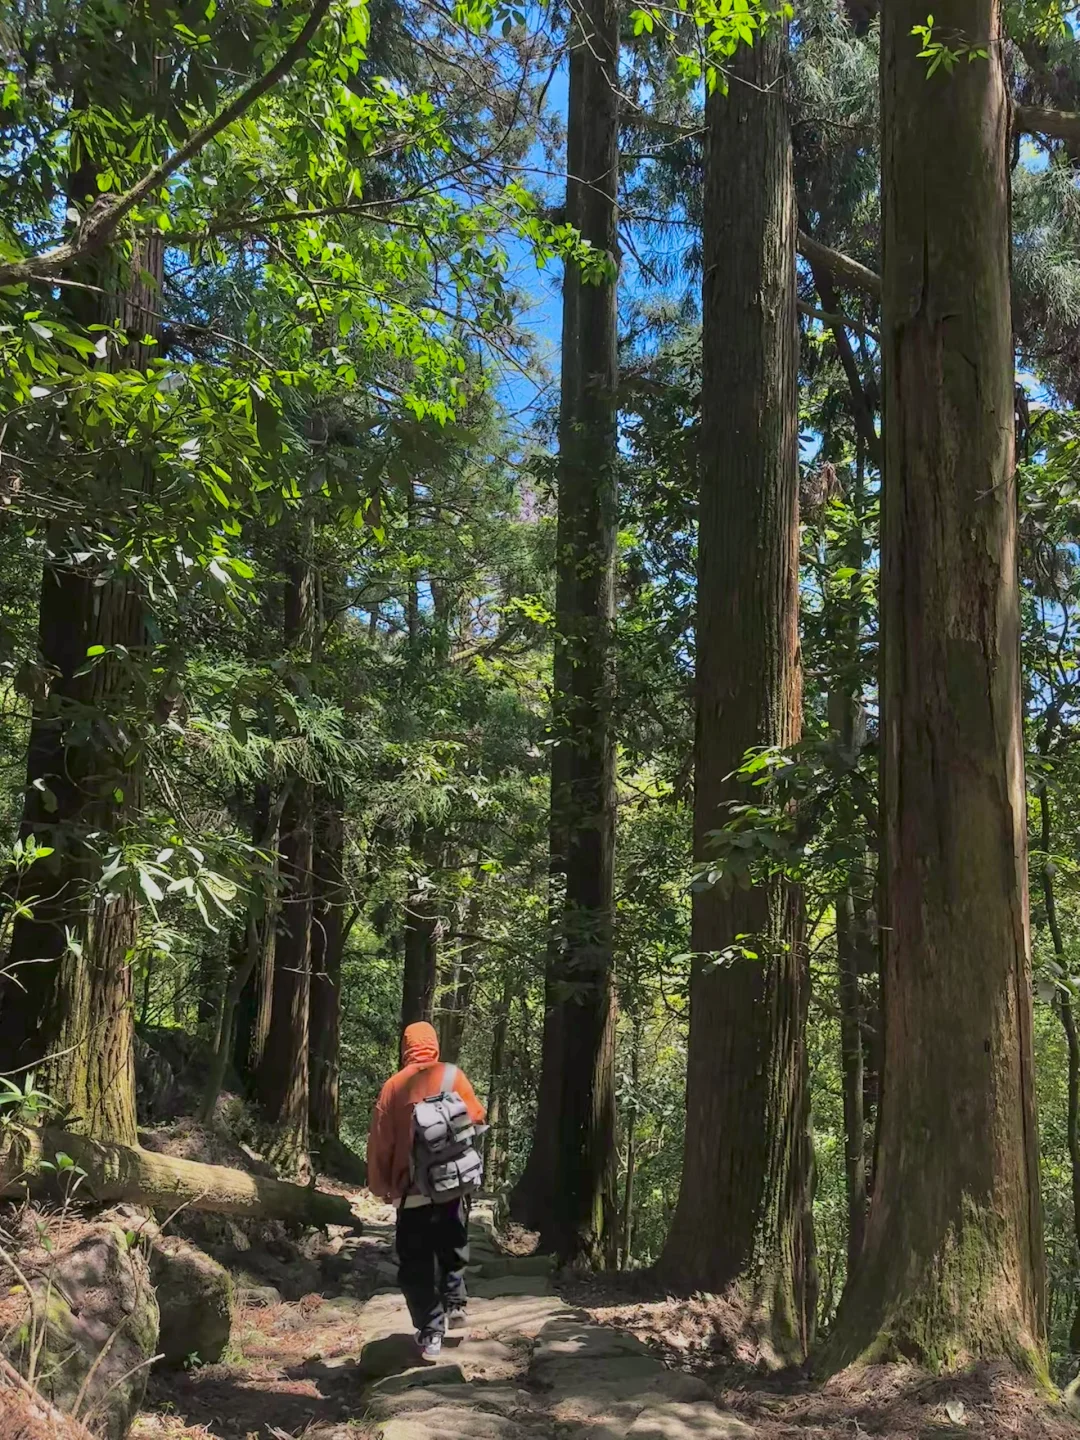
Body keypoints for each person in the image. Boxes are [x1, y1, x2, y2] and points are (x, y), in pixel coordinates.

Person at [367, 1021, 486, 1361]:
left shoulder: (394, 1087)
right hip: (452, 1187)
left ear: (405, 1047)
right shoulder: (453, 1075)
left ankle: (431, 1330)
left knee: (415, 1264)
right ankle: (456, 1303)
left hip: (412, 1192)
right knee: (453, 1246)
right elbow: (477, 1119)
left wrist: (381, 1186)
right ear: (434, 1044)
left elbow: (381, 1143)